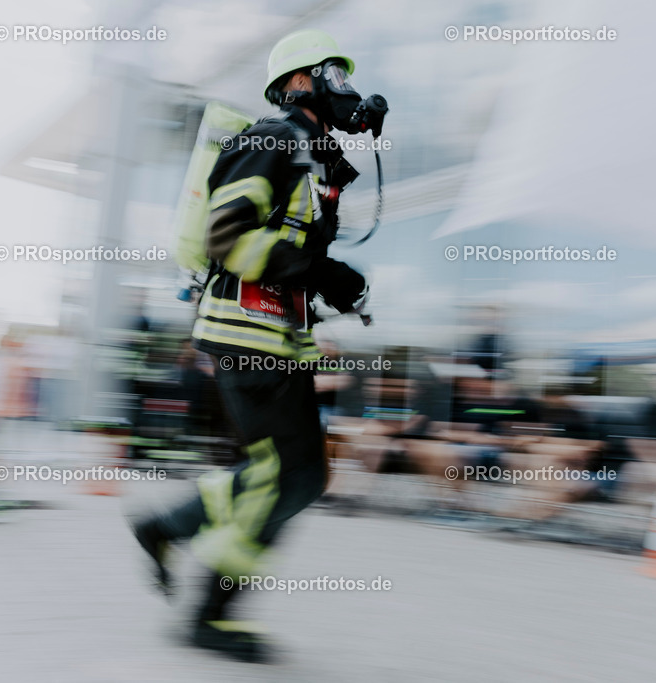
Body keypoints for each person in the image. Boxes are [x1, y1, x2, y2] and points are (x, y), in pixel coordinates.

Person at [132, 29, 377, 662]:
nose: (347, 89)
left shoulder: (311, 158)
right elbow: (226, 236)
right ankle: (209, 614)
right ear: (300, 82)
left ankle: (171, 529)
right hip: (246, 336)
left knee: (296, 474)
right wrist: (324, 273)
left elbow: (292, 253)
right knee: (286, 475)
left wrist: (329, 283)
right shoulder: (275, 139)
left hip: (276, 339)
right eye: (336, 75)